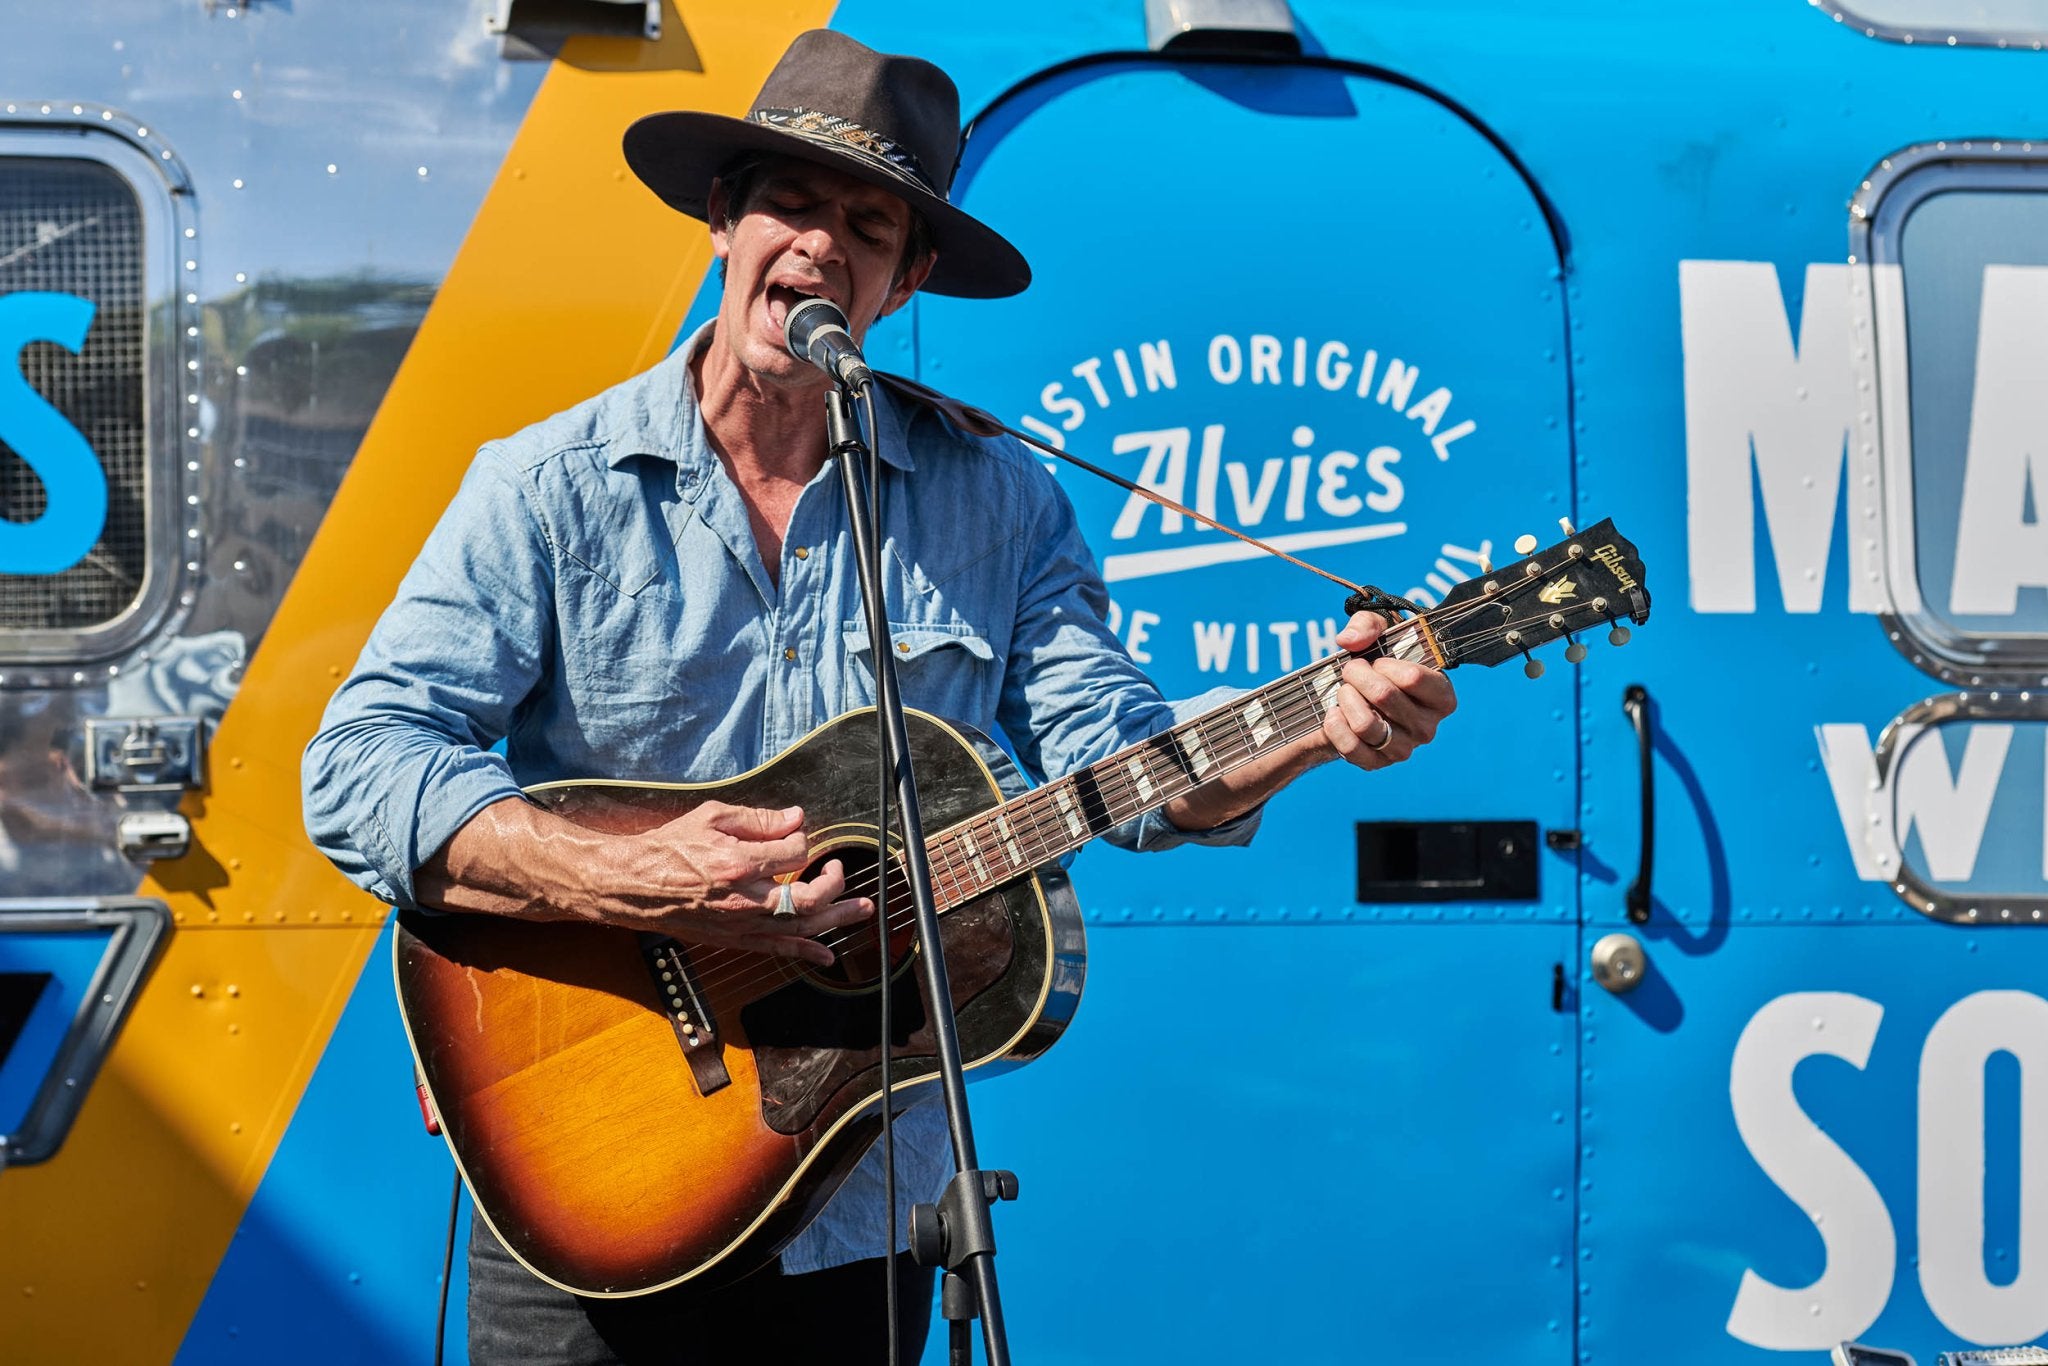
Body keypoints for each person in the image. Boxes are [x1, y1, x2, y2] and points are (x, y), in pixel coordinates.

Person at [301, 28, 1457, 1366]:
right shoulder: (550, 484)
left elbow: (1122, 765)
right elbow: (359, 763)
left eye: (867, 223)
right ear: (721, 222)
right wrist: (636, 874)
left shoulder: (1002, 500)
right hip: (586, 1168)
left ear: (905, 279)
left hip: (858, 1214)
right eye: (789, 200)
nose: (819, 245)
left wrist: (1316, 723)